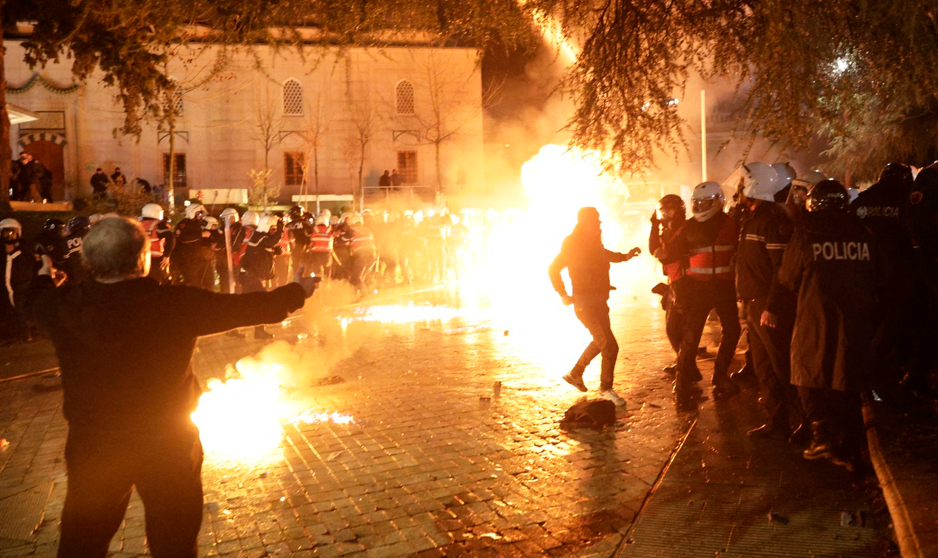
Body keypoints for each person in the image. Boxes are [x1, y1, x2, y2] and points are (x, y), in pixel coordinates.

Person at [24, 216, 318, 558]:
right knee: (175, 544)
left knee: (82, 542)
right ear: (142, 259)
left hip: (95, 446)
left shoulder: (63, 307)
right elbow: (249, 308)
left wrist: (46, 275)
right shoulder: (175, 303)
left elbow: (29, 302)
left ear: (87, 262)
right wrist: (298, 290)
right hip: (168, 444)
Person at [779, 179, 883, 471]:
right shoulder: (863, 233)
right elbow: (877, 274)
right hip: (855, 319)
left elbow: (788, 277)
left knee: (805, 370)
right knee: (847, 377)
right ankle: (850, 448)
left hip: (816, 315)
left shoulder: (806, 233)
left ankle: (820, 433)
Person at [733, 162, 804, 440]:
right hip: (754, 303)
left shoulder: (773, 220)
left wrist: (772, 307)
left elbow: (780, 269)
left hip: (768, 305)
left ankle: (810, 424)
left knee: (783, 366)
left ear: (755, 186)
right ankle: (778, 421)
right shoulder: (754, 218)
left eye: (743, 184)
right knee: (764, 369)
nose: (739, 190)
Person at [548, 207, 641, 407]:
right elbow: (553, 268)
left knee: (601, 341)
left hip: (599, 302)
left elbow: (603, 256)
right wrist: (563, 294)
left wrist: (625, 256)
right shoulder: (572, 244)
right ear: (585, 221)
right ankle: (605, 389)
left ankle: (575, 373)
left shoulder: (593, 241)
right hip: (585, 304)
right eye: (595, 220)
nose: (599, 223)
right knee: (608, 345)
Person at [673, 181, 741, 405]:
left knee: (731, 331)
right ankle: (683, 384)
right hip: (699, 288)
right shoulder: (688, 226)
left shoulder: (732, 224)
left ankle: (719, 377)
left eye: (705, 203)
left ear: (718, 202)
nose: (701, 208)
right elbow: (668, 255)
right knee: (691, 337)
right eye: (698, 203)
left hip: (722, 287)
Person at [649, 194, 689, 375]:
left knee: (675, 327)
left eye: (669, 210)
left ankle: (686, 366)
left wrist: (667, 256)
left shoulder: (685, 229)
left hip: (685, 282)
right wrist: (654, 226)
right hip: (673, 281)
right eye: (662, 210)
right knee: (674, 327)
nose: (665, 214)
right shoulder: (667, 230)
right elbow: (653, 249)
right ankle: (683, 362)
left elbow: (678, 252)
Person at [240, 213, 285, 339]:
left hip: (254, 276)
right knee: (259, 303)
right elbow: (269, 242)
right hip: (250, 277)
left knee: (254, 304)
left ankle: (258, 330)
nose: (274, 231)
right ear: (266, 227)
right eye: (273, 228)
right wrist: (280, 231)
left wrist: (274, 251)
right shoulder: (258, 237)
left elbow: (263, 251)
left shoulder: (261, 238)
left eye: (275, 229)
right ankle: (254, 330)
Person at [1, 218, 38, 343]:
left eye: (12, 232)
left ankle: (27, 333)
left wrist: (14, 252)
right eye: (5, 232)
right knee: (8, 311)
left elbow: (29, 261)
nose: (9, 235)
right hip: (5, 286)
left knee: (22, 309)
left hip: (21, 285)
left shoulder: (25, 246)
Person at [173, 204, 213, 290]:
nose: (200, 216)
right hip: (188, 260)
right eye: (199, 213)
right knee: (193, 285)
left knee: (208, 283)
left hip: (198, 259)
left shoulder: (196, 224)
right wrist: (201, 235)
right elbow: (184, 238)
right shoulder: (184, 224)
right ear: (193, 213)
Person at [139, 203, 175, 285]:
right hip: (157, 260)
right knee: (160, 282)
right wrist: (167, 255)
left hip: (140, 260)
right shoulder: (159, 225)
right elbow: (170, 238)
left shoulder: (138, 224)